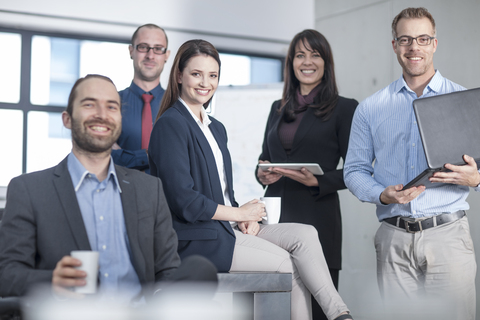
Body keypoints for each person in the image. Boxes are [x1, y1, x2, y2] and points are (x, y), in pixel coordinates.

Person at [148, 39, 354, 320]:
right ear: (180, 75)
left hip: (225, 228)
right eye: (196, 74)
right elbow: (184, 201)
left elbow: (220, 192)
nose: (205, 83)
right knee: (286, 263)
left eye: (213, 75)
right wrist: (239, 212)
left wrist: (242, 215)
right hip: (199, 239)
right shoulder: (170, 124)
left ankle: (340, 314)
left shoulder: (215, 128)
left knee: (305, 235)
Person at [0, 75, 216, 302]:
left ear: (120, 120)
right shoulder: (30, 190)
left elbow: (167, 270)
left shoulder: (148, 189)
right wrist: (52, 281)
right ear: (67, 119)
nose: (102, 114)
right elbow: (6, 276)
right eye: (89, 104)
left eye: (111, 107)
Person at [343, 7, 478, 320]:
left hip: (449, 237)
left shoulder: (466, 100)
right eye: (405, 40)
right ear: (394, 46)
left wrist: (476, 179)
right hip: (394, 238)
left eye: (422, 39)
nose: (413, 47)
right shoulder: (370, 108)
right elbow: (354, 170)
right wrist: (383, 194)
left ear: (434, 43)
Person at [256, 29, 357, 320]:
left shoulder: (344, 109)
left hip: (318, 217)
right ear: (291, 62)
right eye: (300, 55)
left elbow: (356, 171)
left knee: (318, 308)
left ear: (326, 63)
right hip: (274, 217)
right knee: (274, 306)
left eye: (315, 54)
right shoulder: (278, 109)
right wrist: (262, 174)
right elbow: (265, 158)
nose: (307, 61)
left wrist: (319, 180)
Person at [112, 24, 170, 173]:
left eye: (158, 49)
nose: (150, 55)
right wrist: (153, 155)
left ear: (167, 55)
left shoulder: (177, 106)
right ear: (131, 51)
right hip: (122, 193)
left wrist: (126, 156)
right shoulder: (111, 103)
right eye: (143, 47)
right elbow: (104, 154)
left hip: (166, 195)